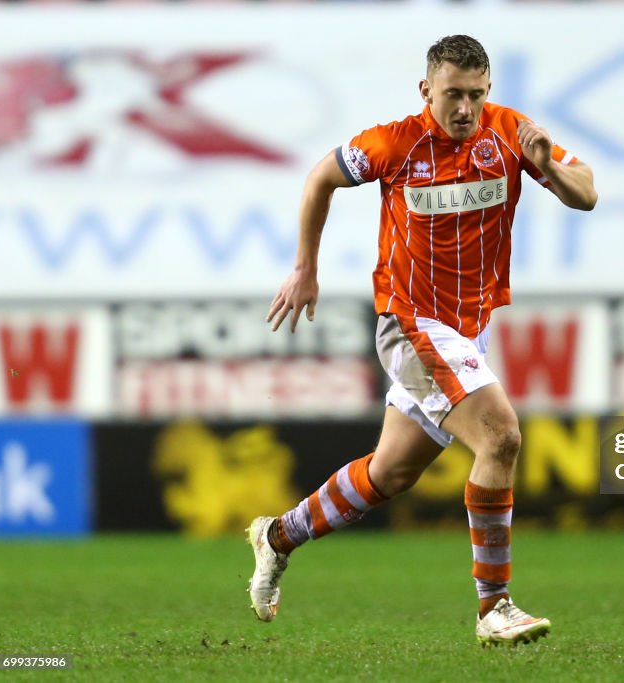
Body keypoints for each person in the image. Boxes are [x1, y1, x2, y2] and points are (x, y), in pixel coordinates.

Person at [247, 34, 597, 646]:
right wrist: (306, 266)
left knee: (389, 474)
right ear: (426, 91)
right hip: (409, 325)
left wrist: (548, 167)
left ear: (489, 91)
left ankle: (277, 536)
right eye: (452, 95)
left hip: (465, 331)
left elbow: (586, 194)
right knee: (501, 436)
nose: (465, 108)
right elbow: (318, 179)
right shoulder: (395, 143)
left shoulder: (510, 134)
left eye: (476, 95)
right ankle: (495, 606)